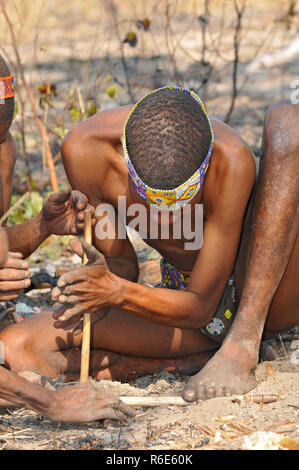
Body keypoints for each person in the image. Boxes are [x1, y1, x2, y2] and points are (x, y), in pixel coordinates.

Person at [0, 86, 298, 401]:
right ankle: (183, 362)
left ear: (205, 162)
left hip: (257, 291)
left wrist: (117, 291)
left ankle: (242, 345)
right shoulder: (85, 151)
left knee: (287, 119)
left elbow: (200, 307)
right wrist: (99, 281)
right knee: (19, 346)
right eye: (152, 200)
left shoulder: (230, 160)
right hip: (178, 304)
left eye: (181, 200)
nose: (167, 217)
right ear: (127, 163)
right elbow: (123, 269)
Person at [0, 56, 135, 421]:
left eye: (2, 134)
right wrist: (52, 403)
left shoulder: (4, 150)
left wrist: (44, 225)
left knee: (24, 349)